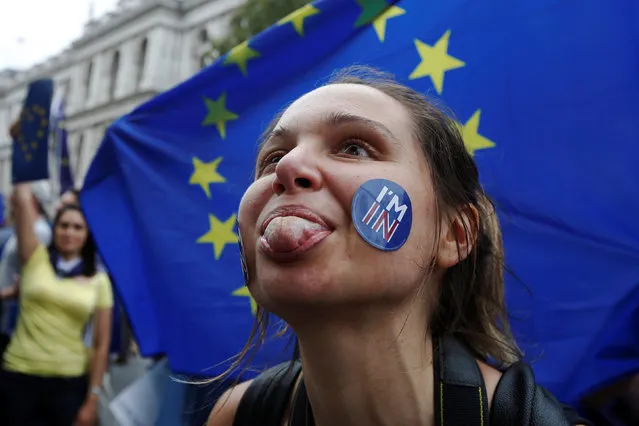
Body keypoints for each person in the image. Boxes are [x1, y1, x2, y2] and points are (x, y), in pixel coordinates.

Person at [207, 67, 591, 426]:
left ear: (454, 235)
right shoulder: (235, 417)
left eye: (355, 148)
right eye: (273, 158)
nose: (289, 167)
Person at [0, 184, 113, 426]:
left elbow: (101, 345)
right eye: (64, 225)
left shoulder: (99, 281)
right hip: (19, 374)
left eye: (77, 227)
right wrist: (26, 154)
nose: (69, 232)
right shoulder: (34, 258)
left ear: (87, 234)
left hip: (68, 382)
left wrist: (93, 398)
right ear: (54, 229)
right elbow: (22, 199)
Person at [0, 181, 52, 357]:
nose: (10, 200)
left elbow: (31, 274)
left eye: (16, 196)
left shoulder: (40, 231)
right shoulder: (19, 231)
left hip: (18, 318)